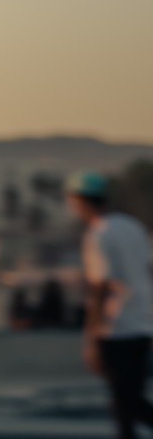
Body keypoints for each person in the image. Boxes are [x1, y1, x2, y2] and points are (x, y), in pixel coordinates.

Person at [67, 170, 153, 439]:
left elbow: (100, 286)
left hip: (116, 327)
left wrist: (91, 336)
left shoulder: (99, 234)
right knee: (129, 399)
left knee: (124, 403)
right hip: (143, 323)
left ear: (81, 201)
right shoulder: (132, 225)